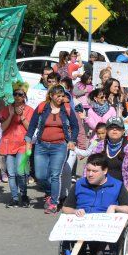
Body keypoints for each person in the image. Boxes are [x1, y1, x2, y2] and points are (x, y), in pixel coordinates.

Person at [61, 153, 128, 255]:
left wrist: (115, 207)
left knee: (98, 235)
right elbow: (65, 208)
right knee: (73, 234)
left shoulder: (116, 185)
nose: (90, 174)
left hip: (104, 226)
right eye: (88, 170)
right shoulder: (79, 184)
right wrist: (75, 211)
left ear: (105, 171)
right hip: (82, 224)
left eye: (94, 171)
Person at [25, 85, 79, 214]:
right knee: (40, 175)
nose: (61, 98)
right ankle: (50, 192)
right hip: (41, 145)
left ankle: (54, 203)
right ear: (51, 96)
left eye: (62, 96)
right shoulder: (42, 107)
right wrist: (27, 141)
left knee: (55, 175)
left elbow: (75, 126)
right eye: (58, 96)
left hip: (60, 146)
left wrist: (72, 140)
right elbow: (32, 125)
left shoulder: (66, 108)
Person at [0, 81, 34, 207]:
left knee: (20, 172)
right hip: (8, 144)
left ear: (25, 96)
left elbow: (31, 128)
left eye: (20, 94)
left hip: (23, 144)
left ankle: (23, 195)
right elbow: (2, 128)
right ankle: (14, 197)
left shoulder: (30, 110)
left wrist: (22, 116)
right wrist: (12, 114)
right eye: (15, 94)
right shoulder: (7, 109)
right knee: (11, 174)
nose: (17, 97)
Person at [89, 117, 128, 199]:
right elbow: (89, 166)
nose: (114, 130)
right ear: (107, 131)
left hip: (122, 189)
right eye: (111, 128)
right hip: (101, 187)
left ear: (123, 131)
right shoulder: (100, 145)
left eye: (118, 128)